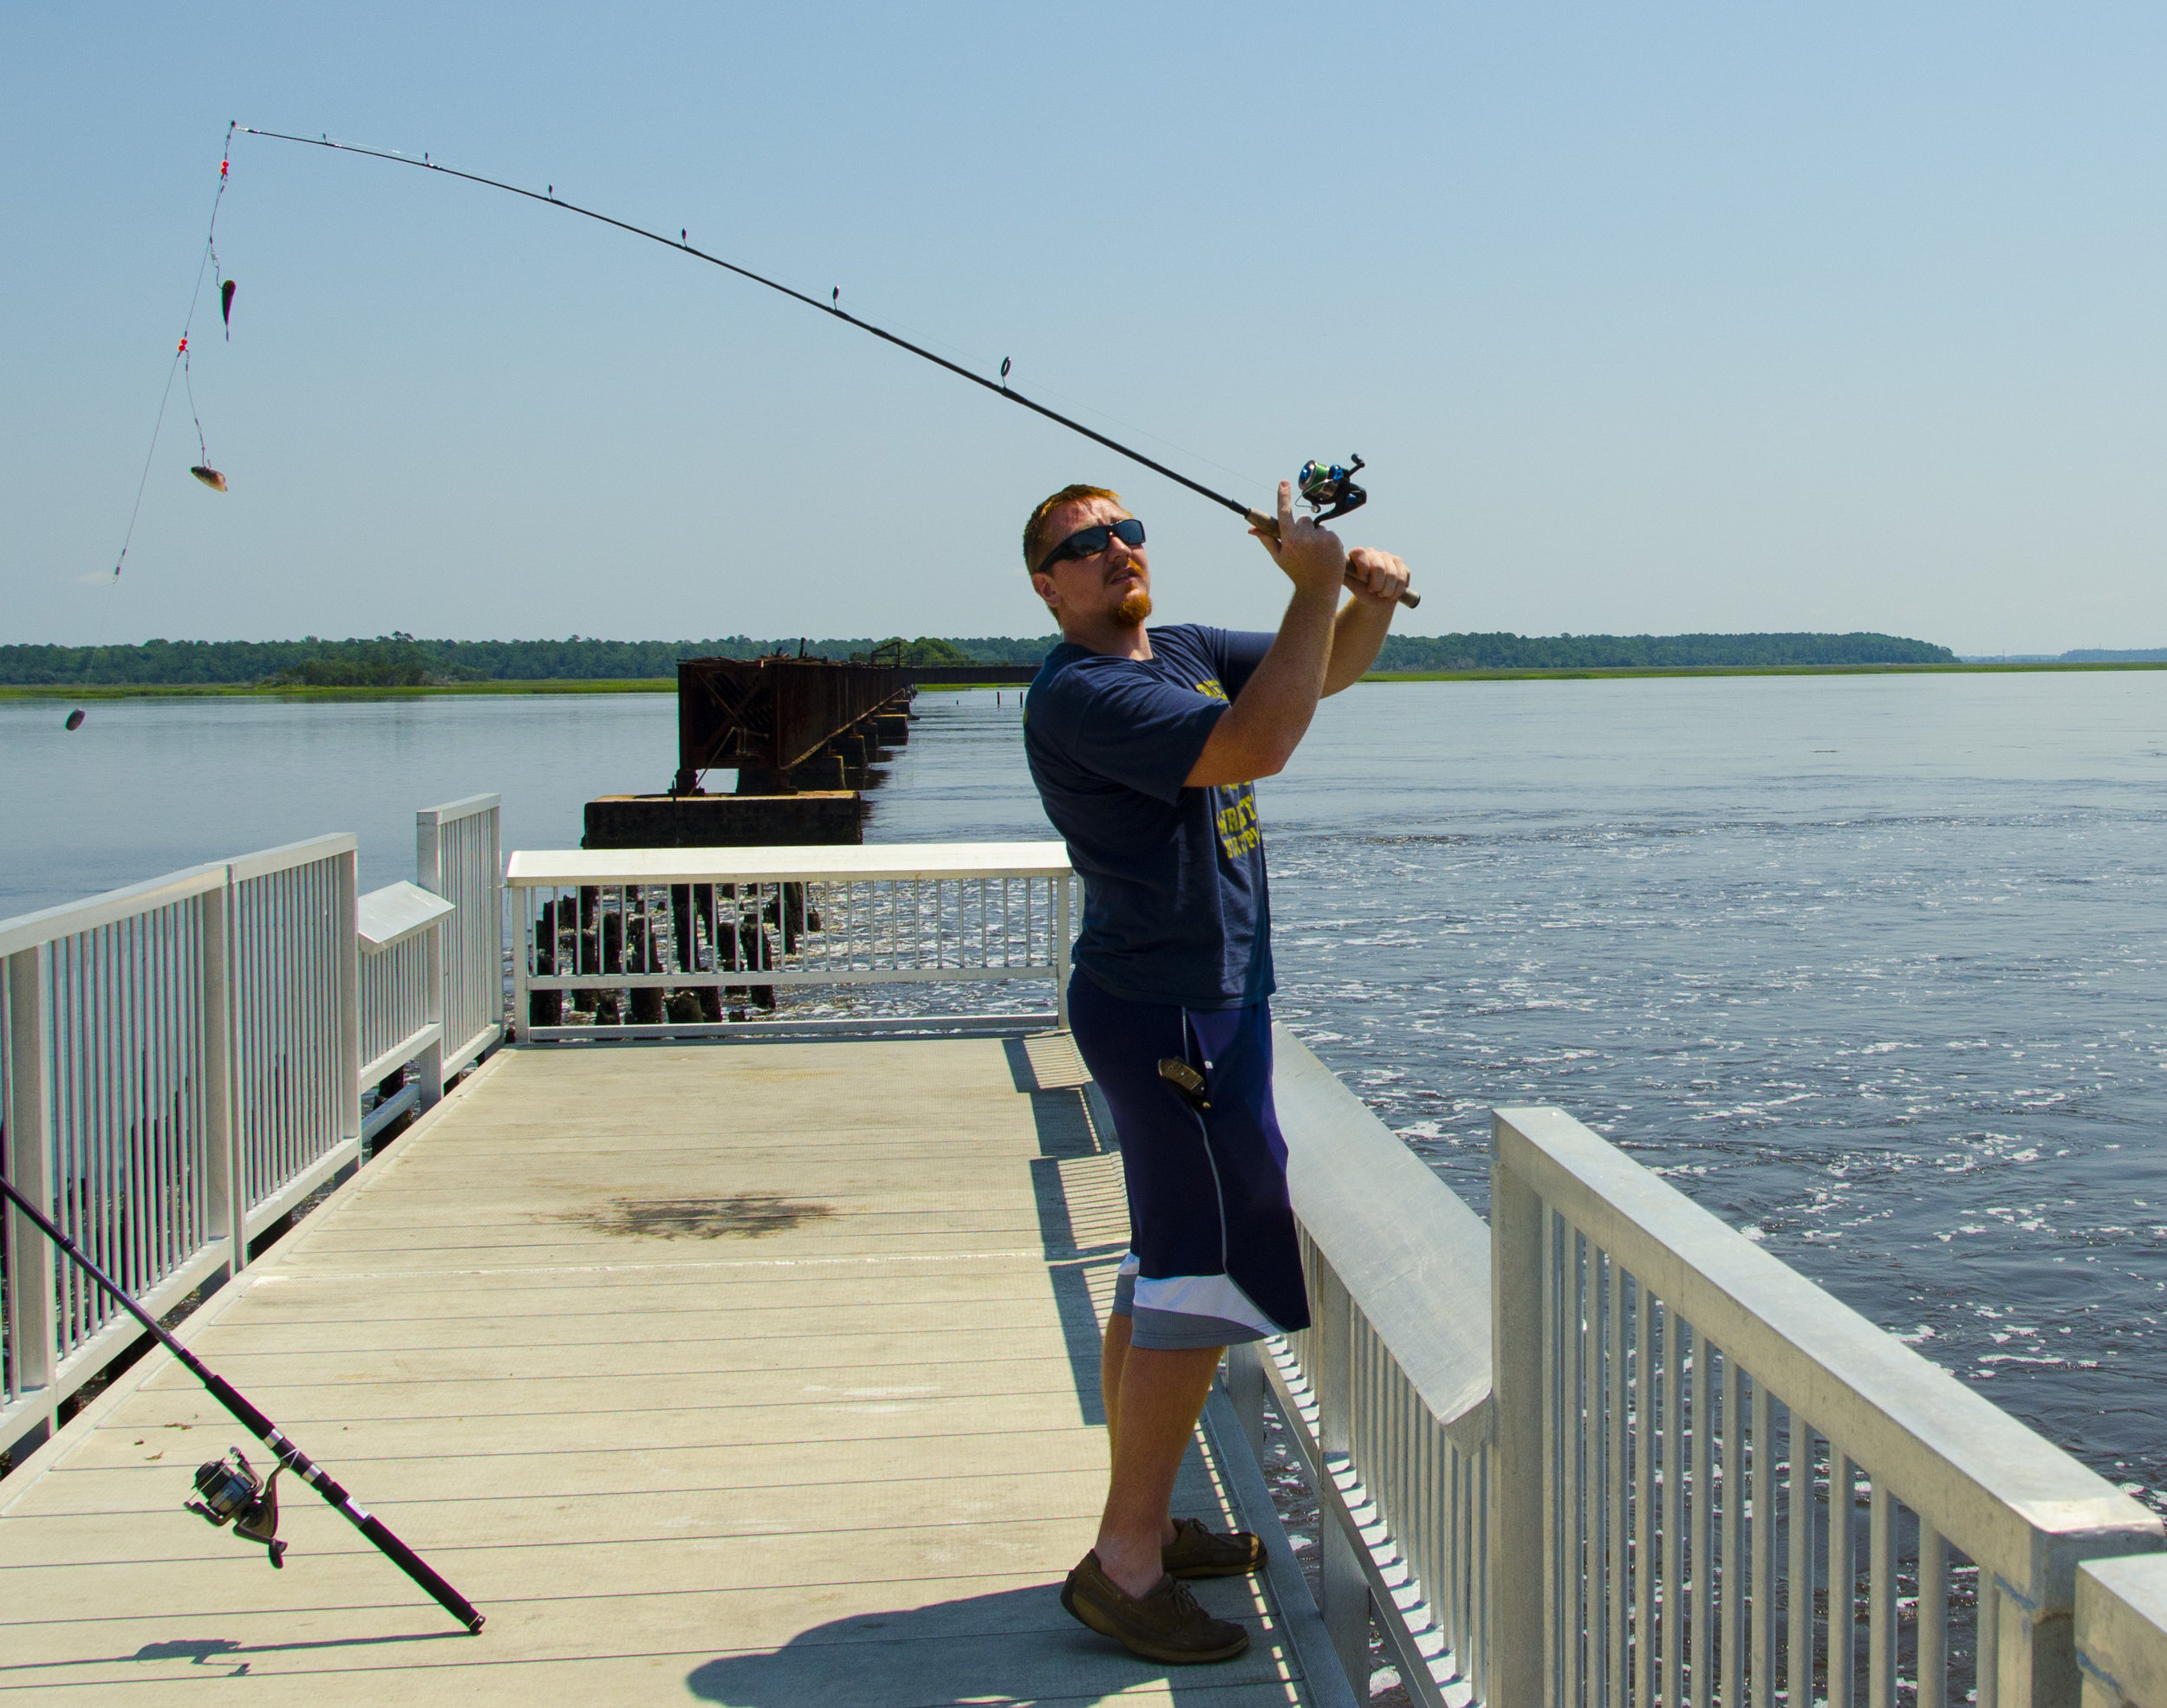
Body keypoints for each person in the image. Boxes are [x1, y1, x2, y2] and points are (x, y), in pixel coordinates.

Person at [1020, 479, 1412, 1664]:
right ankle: (1126, 1565)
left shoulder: (1179, 646)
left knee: (1160, 1264)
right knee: (1200, 1273)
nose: (1114, 551)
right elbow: (1259, 743)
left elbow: (1318, 675)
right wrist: (1307, 583)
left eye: (1126, 531)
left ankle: (1145, 1520)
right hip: (1169, 1011)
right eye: (1081, 547)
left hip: (1200, 999)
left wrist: (1366, 602)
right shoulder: (1088, 692)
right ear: (1046, 587)